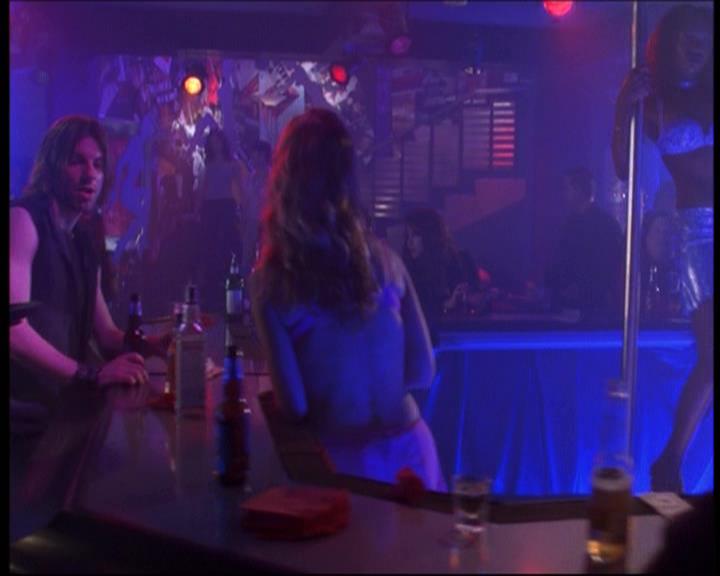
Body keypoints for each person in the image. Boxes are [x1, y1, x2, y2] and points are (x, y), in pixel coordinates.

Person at [250, 109, 445, 491]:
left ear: (286, 182)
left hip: (345, 461)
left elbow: (295, 406)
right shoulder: (388, 261)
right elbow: (423, 371)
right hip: (411, 451)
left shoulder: (272, 282)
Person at [10, 115, 166, 439]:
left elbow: (106, 333)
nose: (90, 174)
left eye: (97, 164)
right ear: (53, 166)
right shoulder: (23, 220)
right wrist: (90, 374)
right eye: (77, 162)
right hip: (22, 411)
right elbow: (13, 331)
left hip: (60, 407)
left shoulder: (83, 239)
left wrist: (154, 345)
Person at [612, 3, 713, 492]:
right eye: (687, 39)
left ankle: (671, 461)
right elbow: (623, 166)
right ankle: (670, 459)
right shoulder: (654, 100)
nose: (696, 48)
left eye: (704, 41)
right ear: (669, 44)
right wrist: (621, 108)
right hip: (699, 231)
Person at [545, 167, 625, 321]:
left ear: (578, 190)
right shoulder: (571, 223)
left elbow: (608, 266)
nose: (564, 194)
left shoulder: (602, 225)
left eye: (567, 188)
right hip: (574, 303)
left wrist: (579, 287)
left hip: (595, 307)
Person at [403, 207, 486, 339]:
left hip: (461, 339)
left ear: (429, 236)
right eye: (407, 236)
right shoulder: (409, 272)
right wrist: (447, 305)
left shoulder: (460, 262)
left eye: (415, 235)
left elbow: (478, 301)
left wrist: (473, 299)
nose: (409, 243)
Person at [198, 128, 245, 311]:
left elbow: (240, 188)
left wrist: (242, 208)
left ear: (222, 142)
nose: (215, 144)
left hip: (226, 205)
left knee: (223, 245)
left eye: (217, 140)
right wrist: (197, 209)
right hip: (210, 206)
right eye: (212, 141)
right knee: (210, 246)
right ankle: (212, 289)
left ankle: (225, 288)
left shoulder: (232, 164)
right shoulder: (207, 164)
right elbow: (203, 189)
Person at [639, 210, 681, 320]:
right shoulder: (635, 274)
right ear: (646, 238)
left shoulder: (681, 276)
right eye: (657, 231)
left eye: (666, 233)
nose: (662, 238)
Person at [240, 140, 271, 277]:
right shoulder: (250, 178)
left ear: (265, 156)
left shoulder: (272, 177)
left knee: (266, 257)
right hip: (251, 223)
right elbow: (245, 202)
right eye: (254, 154)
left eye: (259, 154)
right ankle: (247, 287)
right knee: (247, 258)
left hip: (267, 223)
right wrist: (243, 221)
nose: (255, 157)